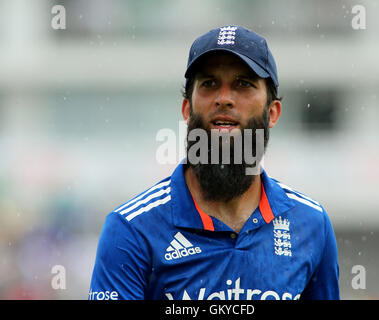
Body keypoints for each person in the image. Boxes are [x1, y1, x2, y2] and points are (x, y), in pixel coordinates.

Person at [89, 25, 340, 300]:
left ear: (272, 112)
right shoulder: (131, 229)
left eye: (243, 84)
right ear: (187, 109)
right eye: (209, 84)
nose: (223, 99)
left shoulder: (311, 224)